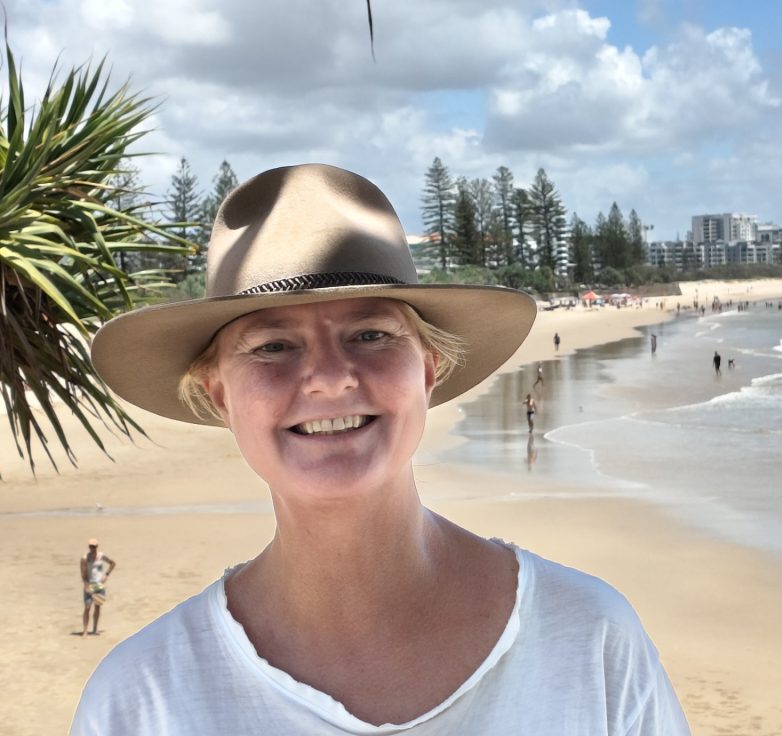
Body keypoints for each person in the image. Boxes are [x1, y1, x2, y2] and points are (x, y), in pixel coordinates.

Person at [73, 164, 688, 734]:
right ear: (219, 396)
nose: (329, 377)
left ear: (428, 370)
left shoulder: (589, 641)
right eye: (272, 346)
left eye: (370, 334)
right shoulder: (142, 698)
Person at [80, 539, 115, 637]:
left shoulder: (101, 556)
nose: (92, 548)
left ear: (97, 546)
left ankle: (95, 629)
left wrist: (106, 575)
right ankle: (85, 630)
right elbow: (83, 573)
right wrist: (86, 585)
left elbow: (112, 563)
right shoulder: (84, 558)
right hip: (90, 584)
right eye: (91, 546)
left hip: (99, 585)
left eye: (94, 546)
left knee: (97, 607)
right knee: (87, 607)